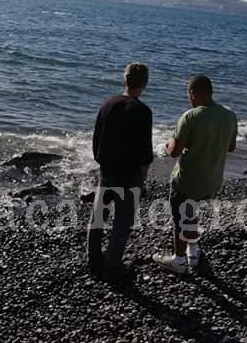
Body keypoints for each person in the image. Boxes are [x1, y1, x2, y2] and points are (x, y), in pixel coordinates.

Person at [153, 75, 237, 274]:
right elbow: (231, 147)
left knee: (179, 217)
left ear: (193, 93)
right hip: (212, 179)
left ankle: (179, 260)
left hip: (188, 179)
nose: (188, 98)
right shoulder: (229, 115)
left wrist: (167, 143)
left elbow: (173, 151)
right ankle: (192, 251)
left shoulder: (190, 116)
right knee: (191, 212)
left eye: (189, 94)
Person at [88, 62, 153, 280]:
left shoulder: (107, 104)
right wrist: (142, 179)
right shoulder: (143, 111)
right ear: (145, 83)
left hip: (107, 170)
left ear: (124, 80)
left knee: (98, 218)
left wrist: (101, 161)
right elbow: (145, 151)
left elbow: (96, 138)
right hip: (129, 174)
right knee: (122, 222)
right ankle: (113, 264)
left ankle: (94, 258)